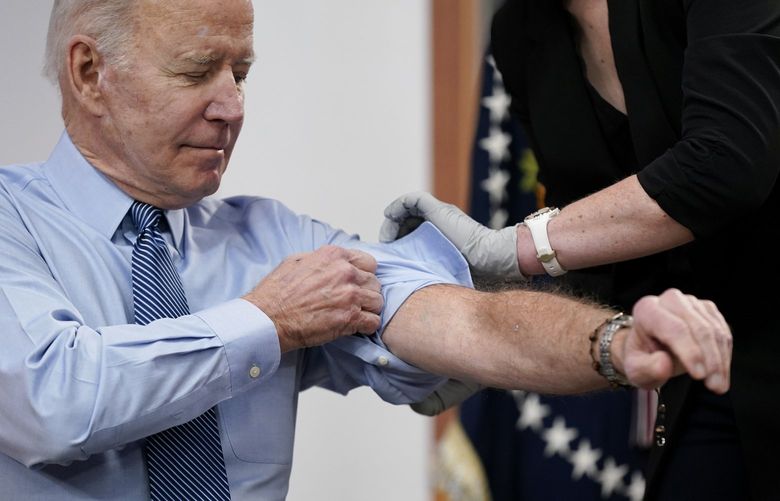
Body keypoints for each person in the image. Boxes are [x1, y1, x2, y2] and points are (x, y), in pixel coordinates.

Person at [0, 0, 731, 499]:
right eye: (197, 70)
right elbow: (53, 399)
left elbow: (463, 323)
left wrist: (616, 342)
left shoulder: (273, 239)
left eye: (242, 72)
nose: (232, 105)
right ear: (89, 73)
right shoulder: (12, 222)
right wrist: (266, 321)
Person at [381, 0, 780, 499]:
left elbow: (727, 165)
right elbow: (605, 253)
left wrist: (516, 247)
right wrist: (485, 337)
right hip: (708, 358)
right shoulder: (521, 32)